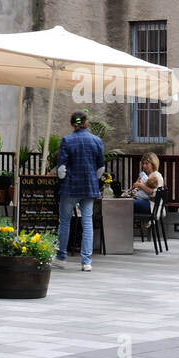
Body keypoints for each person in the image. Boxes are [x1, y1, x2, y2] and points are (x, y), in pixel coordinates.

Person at [53, 110, 105, 271]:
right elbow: (101, 168)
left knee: (65, 221)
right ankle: (86, 261)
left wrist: (62, 180)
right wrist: (92, 179)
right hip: (89, 186)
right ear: (86, 123)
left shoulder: (67, 140)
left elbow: (61, 169)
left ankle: (61, 257)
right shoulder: (96, 140)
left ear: (72, 123)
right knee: (87, 222)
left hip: (70, 187)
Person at [131, 151, 165, 216]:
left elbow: (153, 193)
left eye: (146, 163)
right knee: (126, 203)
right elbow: (135, 188)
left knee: (128, 204)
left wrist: (140, 185)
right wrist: (136, 184)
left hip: (152, 205)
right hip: (144, 200)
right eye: (143, 163)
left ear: (153, 164)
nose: (144, 166)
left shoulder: (156, 175)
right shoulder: (145, 175)